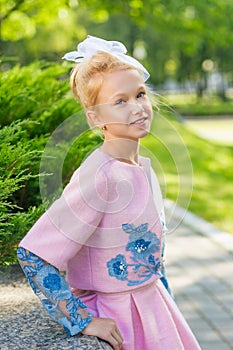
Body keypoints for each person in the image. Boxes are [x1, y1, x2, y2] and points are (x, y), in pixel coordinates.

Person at [17, 35, 201, 350]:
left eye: (140, 94)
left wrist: (163, 292)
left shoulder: (142, 166)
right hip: (121, 318)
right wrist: (82, 318)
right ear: (95, 118)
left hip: (155, 308)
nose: (138, 107)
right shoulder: (100, 177)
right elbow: (33, 255)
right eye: (120, 101)